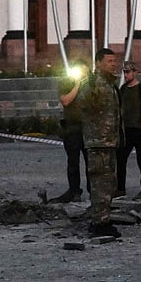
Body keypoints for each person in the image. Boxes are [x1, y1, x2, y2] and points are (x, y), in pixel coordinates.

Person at [80, 48, 123, 237]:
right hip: (98, 143)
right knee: (100, 183)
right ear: (98, 63)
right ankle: (100, 223)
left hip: (109, 141)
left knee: (108, 182)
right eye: (109, 61)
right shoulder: (92, 83)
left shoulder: (109, 84)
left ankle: (103, 217)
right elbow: (85, 106)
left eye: (115, 61)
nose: (113, 64)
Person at [48, 61, 89, 203]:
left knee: (91, 162)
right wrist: (77, 84)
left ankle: (93, 190)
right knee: (73, 162)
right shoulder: (66, 83)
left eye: (86, 72)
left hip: (88, 128)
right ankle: (74, 190)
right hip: (72, 128)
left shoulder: (91, 85)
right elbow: (66, 101)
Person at [115, 61, 141, 199]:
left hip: (140, 129)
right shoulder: (124, 89)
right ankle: (120, 188)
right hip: (126, 130)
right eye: (124, 72)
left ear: (135, 72)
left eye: (128, 72)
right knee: (120, 160)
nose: (126, 74)